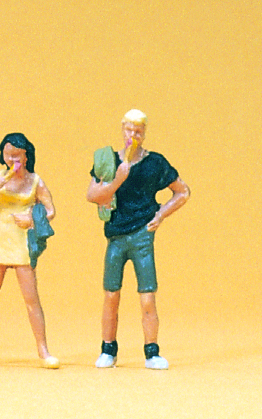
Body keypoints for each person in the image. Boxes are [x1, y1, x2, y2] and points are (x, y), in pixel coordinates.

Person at [86, 109, 190, 370]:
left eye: (138, 131)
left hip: (143, 236)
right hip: (116, 236)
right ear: (122, 129)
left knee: (147, 295)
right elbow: (93, 195)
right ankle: (108, 349)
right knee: (111, 295)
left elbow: (182, 192)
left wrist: (161, 214)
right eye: (129, 130)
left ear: (144, 133)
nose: (133, 135)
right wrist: (117, 180)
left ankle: (152, 352)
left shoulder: (155, 163)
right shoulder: (108, 160)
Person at [0, 133, 59, 369]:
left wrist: (32, 219)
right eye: (8, 155)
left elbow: (50, 211)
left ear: (26, 156)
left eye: (17, 155)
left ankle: (43, 350)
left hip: (22, 242)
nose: (12, 160)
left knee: (31, 299)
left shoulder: (35, 181)